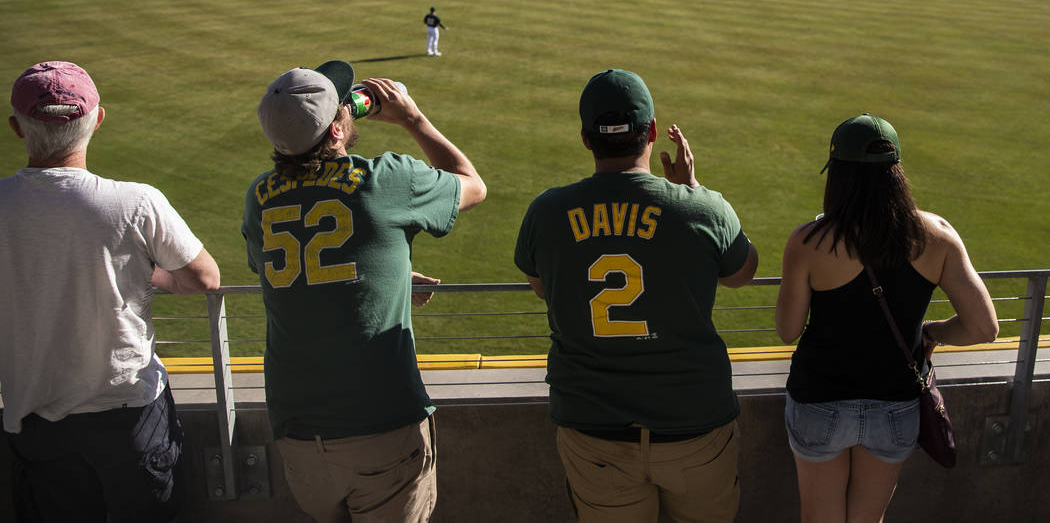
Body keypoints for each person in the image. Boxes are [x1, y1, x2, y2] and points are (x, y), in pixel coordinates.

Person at [244, 60, 486, 522]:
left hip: (297, 432)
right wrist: (413, 118)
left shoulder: (258, 199)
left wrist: (386, 275)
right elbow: (472, 185)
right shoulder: (386, 179)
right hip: (381, 425)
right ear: (337, 130)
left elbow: (296, 274)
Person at [514, 68, 759, 523]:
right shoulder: (703, 208)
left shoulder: (546, 211)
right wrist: (693, 190)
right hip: (695, 426)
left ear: (587, 139)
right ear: (651, 133)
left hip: (594, 430)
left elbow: (542, 288)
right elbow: (743, 273)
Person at [0, 61, 221, 522]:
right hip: (128, 417)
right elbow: (204, 279)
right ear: (97, 120)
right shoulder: (135, 201)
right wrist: (149, 275)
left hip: (32, 420)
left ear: (18, 128)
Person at [775, 114, 999, 523]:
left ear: (838, 174)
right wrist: (934, 332)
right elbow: (984, 328)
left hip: (820, 401)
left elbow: (788, 331)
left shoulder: (808, 242)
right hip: (895, 407)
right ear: (896, 172)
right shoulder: (938, 236)